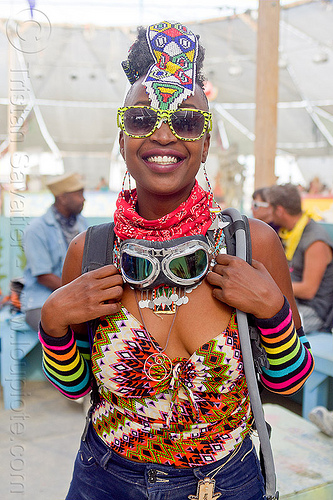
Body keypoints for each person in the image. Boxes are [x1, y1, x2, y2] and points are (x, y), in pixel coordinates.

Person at [39, 22, 314, 500]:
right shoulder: (91, 251)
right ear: (123, 137)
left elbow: (287, 382)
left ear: (206, 143)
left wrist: (274, 314)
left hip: (227, 483)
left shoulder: (253, 243)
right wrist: (53, 322)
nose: (163, 134)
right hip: (105, 479)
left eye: (186, 121)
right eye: (143, 119)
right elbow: (76, 386)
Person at [22, 172, 88, 331]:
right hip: (40, 303)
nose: (83, 199)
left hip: (77, 298)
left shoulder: (81, 223)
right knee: (67, 330)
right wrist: (79, 294)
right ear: (63, 198)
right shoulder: (36, 229)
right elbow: (43, 277)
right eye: (78, 194)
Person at [267, 183, 333, 334]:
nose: (270, 214)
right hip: (292, 302)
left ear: (280, 210)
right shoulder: (290, 232)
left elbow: (308, 290)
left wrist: (270, 286)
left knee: (268, 327)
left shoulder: (315, 240)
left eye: (271, 208)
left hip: (313, 310)